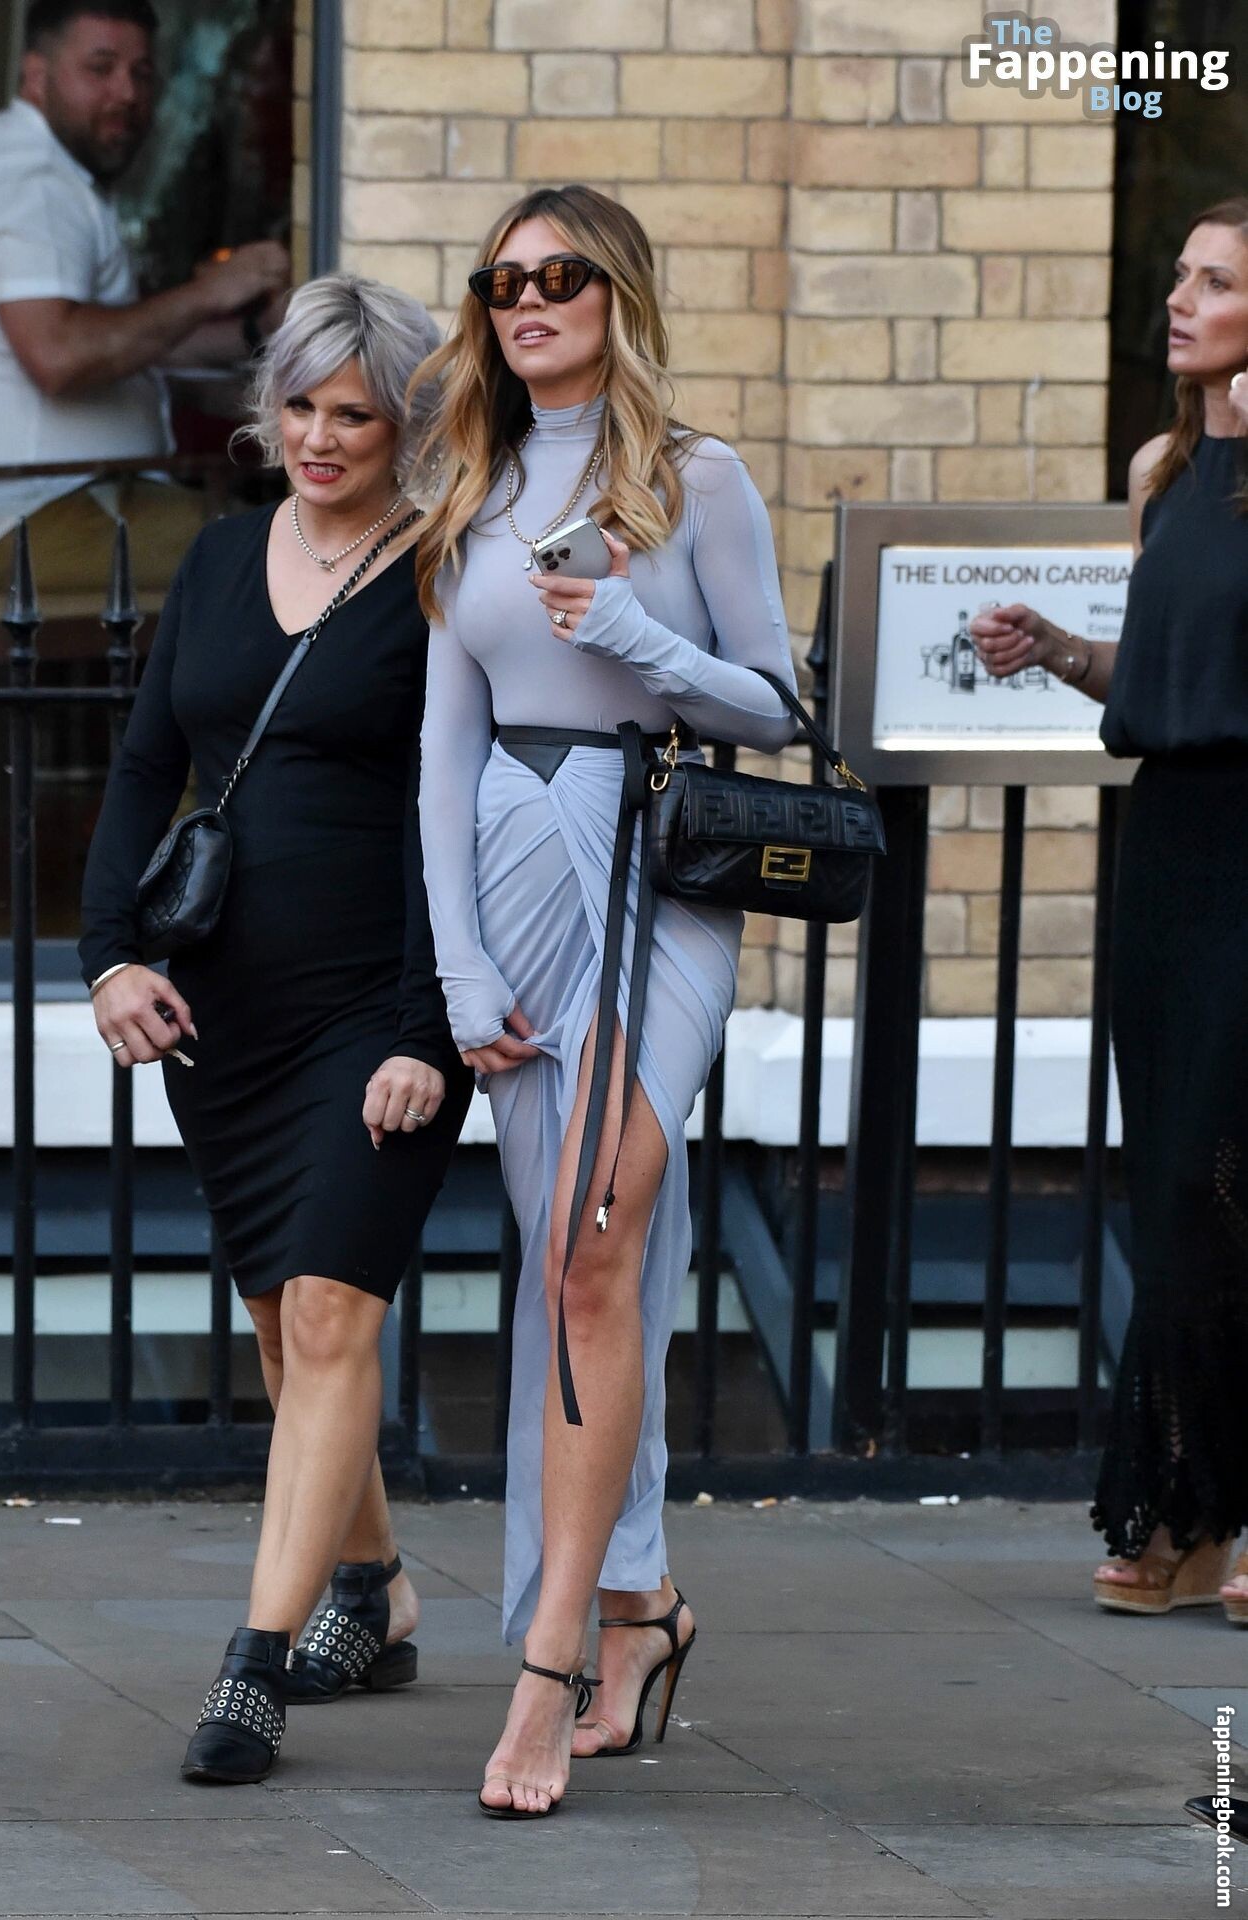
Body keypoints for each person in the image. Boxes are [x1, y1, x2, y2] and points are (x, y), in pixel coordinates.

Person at [412, 184, 798, 1818]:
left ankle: (550, 1655)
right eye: (500, 280)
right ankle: (637, 1605)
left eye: (558, 275)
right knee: (577, 1271)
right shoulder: (469, 486)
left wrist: (639, 637)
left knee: (590, 1248)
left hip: (656, 874)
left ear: (616, 295)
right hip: (510, 872)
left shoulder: (696, 481)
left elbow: (773, 706)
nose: (526, 300)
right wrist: (458, 966)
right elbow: (440, 753)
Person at [78, 273, 475, 1784]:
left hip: (378, 1007)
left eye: (352, 413)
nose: (318, 436)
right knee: (281, 1322)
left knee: (328, 1316)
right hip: (225, 1012)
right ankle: (371, 1591)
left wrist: (429, 1029)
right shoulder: (216, 558)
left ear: (403, 425)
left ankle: (254, 1666)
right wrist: (109, 958)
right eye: (299, 405)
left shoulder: (441, 573)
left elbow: (456, 817)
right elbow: (143, 770)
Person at [972, 196, 1248, 1624]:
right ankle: (1191, 1515)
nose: (1179, 300)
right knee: (1172, 1187)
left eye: (1215, 282)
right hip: (1173, 847)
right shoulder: (1164, 467)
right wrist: (1058, 652)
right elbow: (1162, 668)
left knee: (1231, 1175)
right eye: (1181, 274)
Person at [0, 0, 290, 588]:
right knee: (303, 558)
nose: (127, 93)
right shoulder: (29, 181)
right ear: (36, 76)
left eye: (141, 73)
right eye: (100, 68)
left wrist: (254, 332)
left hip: (63, 507)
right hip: (30, 527)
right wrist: (208, 293)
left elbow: (124, 339)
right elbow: (60, 356)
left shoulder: (39, 166)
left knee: (285, 543)